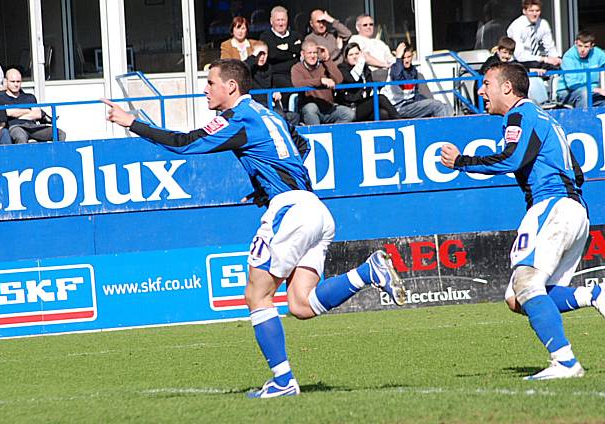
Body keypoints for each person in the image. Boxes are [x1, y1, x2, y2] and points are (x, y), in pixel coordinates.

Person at [102, 59, 406, 398]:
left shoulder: (240, 117)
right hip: (315, 209)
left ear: (231, 87)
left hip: (290, 211)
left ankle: (282, 381)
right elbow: (300, 146)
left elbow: (184, 142)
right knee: (300, 305)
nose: (205, 88)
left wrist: (133, 123)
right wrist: (268, 181)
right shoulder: (269, 114)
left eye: (211, 82)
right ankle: (368, 273)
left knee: (256, 295)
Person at [440, 62, 605, 380]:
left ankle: (565, 362)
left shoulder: (520, 114)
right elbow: (577, 173)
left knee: (526, 284)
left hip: (551, 206)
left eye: (486, 84)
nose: (481, 91)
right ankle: (593, 295)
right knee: (517, 298)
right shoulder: (543, 117)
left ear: (507, 88)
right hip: (573, 209)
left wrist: (461, 162)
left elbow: (512, 158)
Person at [507, 0, 559, 104]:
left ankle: (556, 100)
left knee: (560, 70)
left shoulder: (543, 24)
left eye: (537, 11)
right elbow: (519, 55)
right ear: (524, 11)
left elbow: (550, 46)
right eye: (531, 11)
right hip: (520, 63)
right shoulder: (517, 26)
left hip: (537, 60)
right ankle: (541, 103)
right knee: (533, 80)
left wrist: (556, 59)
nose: (535, 14)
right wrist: (544, 59)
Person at [291, 39, 354, 125]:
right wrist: (320, 80)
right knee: (311, 108)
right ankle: (316, 135)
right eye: (309, 53)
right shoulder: (297, 68)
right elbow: (297, 83)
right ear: (303, 54)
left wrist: (327, 59)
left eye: (315, 53)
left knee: (349, 113)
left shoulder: (324, 65)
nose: (313, 56)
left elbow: (339, 79)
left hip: (328, 107)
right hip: (310, 107)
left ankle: (333, 134)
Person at [382, 44, 452, 119]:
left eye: (408, 57)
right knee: (437, 106)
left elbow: (415, 94)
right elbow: (397, 76)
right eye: (403, 58)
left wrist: (427, 101)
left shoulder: (413, 71)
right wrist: (398, 58)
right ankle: (443, 130)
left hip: (410, 105)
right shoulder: (394, 68)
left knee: (447, 107)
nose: (406, 60)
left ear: (412, 56)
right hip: (397, 107)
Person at [557, 30, 605, 108]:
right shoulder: (568, 57)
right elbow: (573, 85)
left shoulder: (597, 53)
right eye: (579, 46)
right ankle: (584, 119)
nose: (582, 50)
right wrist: (600, 91)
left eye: (586, 47)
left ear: (592, 46)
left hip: (592, 93)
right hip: (568, 94)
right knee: (584, 93)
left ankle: (599, 118)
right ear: (575, 43)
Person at [0, 68, 66, 143]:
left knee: (60, 133)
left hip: (33, 127)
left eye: (18, 81)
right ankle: (22, 155)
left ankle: (56, 154)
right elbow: (6, 113)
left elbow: (38, 114)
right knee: (20, 136)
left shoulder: (30, 97)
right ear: (6, 81)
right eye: (12, 82)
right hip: (15, 127)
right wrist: (28, 111)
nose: (16, 84)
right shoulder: (0, 97)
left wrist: (15, 114)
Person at [336, 42, 401, 122]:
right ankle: (401, 122)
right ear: (345, 58)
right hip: (350, 107)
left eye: (357, 54)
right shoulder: (342, 69)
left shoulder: (364, 69)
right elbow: (352, 79)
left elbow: (370, 85)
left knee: (383, 114)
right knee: (380, 98)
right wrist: (361, 62)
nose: (355, 57)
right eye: (351, 55)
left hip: (362, 104)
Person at [245, 42, 300, 126]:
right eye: (259, 54)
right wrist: (253, 57)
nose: (262, 57)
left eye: (264, 54)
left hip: (270, 103)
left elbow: (271, 84)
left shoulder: (269, 68)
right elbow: (242, 68)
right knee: (280, 116)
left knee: (294, 116)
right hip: (256, 105)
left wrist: (275, 91)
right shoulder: (249, 68)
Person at [259, 6, 303, 107]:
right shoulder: (265, 36)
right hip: (277, 75)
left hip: (297, 73)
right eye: (278, 20)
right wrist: (292, 52)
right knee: (291, 89)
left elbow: (300, 49)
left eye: (283, 20)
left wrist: (285, 47)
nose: (281, 23)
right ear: (271, 21)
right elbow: (273, 54)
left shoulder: (296, 35)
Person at [348, 14, 402, 81]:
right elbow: (364, 57)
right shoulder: (355, 39)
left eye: (371, 24)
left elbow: (390, 58)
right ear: (357, 28)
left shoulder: (379, 43)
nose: (368, 27)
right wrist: (384, 65)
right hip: (371, 74)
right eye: (365, 25)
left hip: (387, 73)